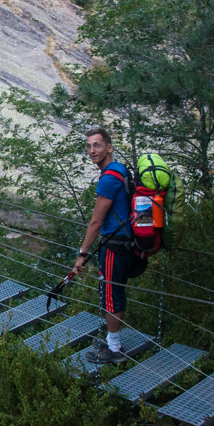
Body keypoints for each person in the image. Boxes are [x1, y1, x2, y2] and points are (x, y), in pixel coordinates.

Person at [73, 126, 134, 364]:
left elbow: (96, 222)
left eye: (97, 145)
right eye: (88, 146)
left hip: (114, 245)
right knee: (116, 292)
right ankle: (113, 342)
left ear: (109, 147)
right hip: (126, 242)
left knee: (109, 295)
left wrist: (82, 254)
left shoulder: (109, 178)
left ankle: (114, 350)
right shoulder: (120, 170)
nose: (92, 151)